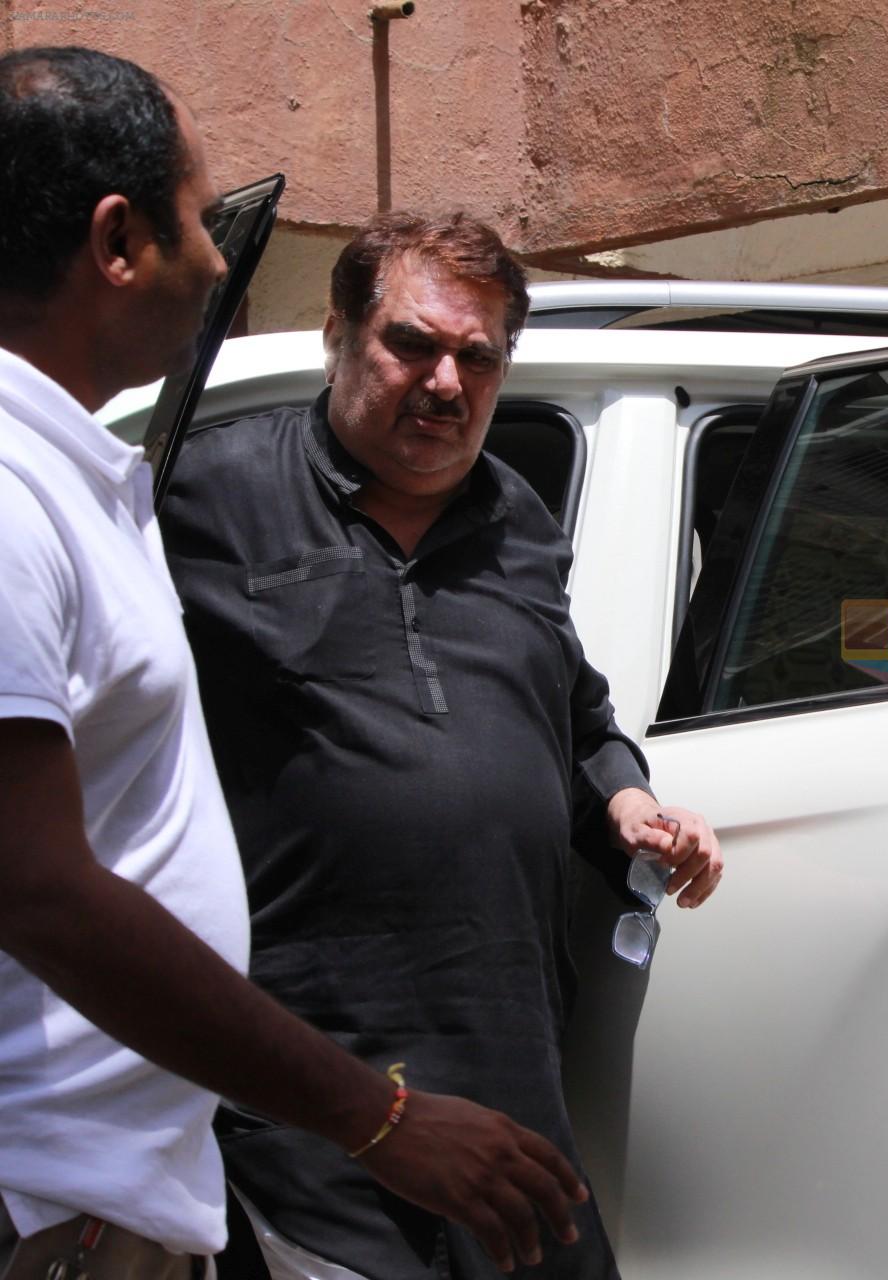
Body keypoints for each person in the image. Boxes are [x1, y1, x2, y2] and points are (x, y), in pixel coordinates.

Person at [0, 45, 592, 1280]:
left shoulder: (81, 484)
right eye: (196, 222)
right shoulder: (44, 498)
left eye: (478, 359)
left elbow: (573, 708)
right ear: (118, 243)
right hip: (61, 1205)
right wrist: (372, 1114)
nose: (220, 260)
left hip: (134, 1202)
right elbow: (35, 884)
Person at [159, 209, 723, 1279]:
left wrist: (626, 805)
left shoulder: (518, 522)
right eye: (411, 344)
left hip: (510, 1072)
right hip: (306, 1093)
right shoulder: (206, 493)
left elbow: (578, 720)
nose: (446, 383)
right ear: (340, 333)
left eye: (478, 357)